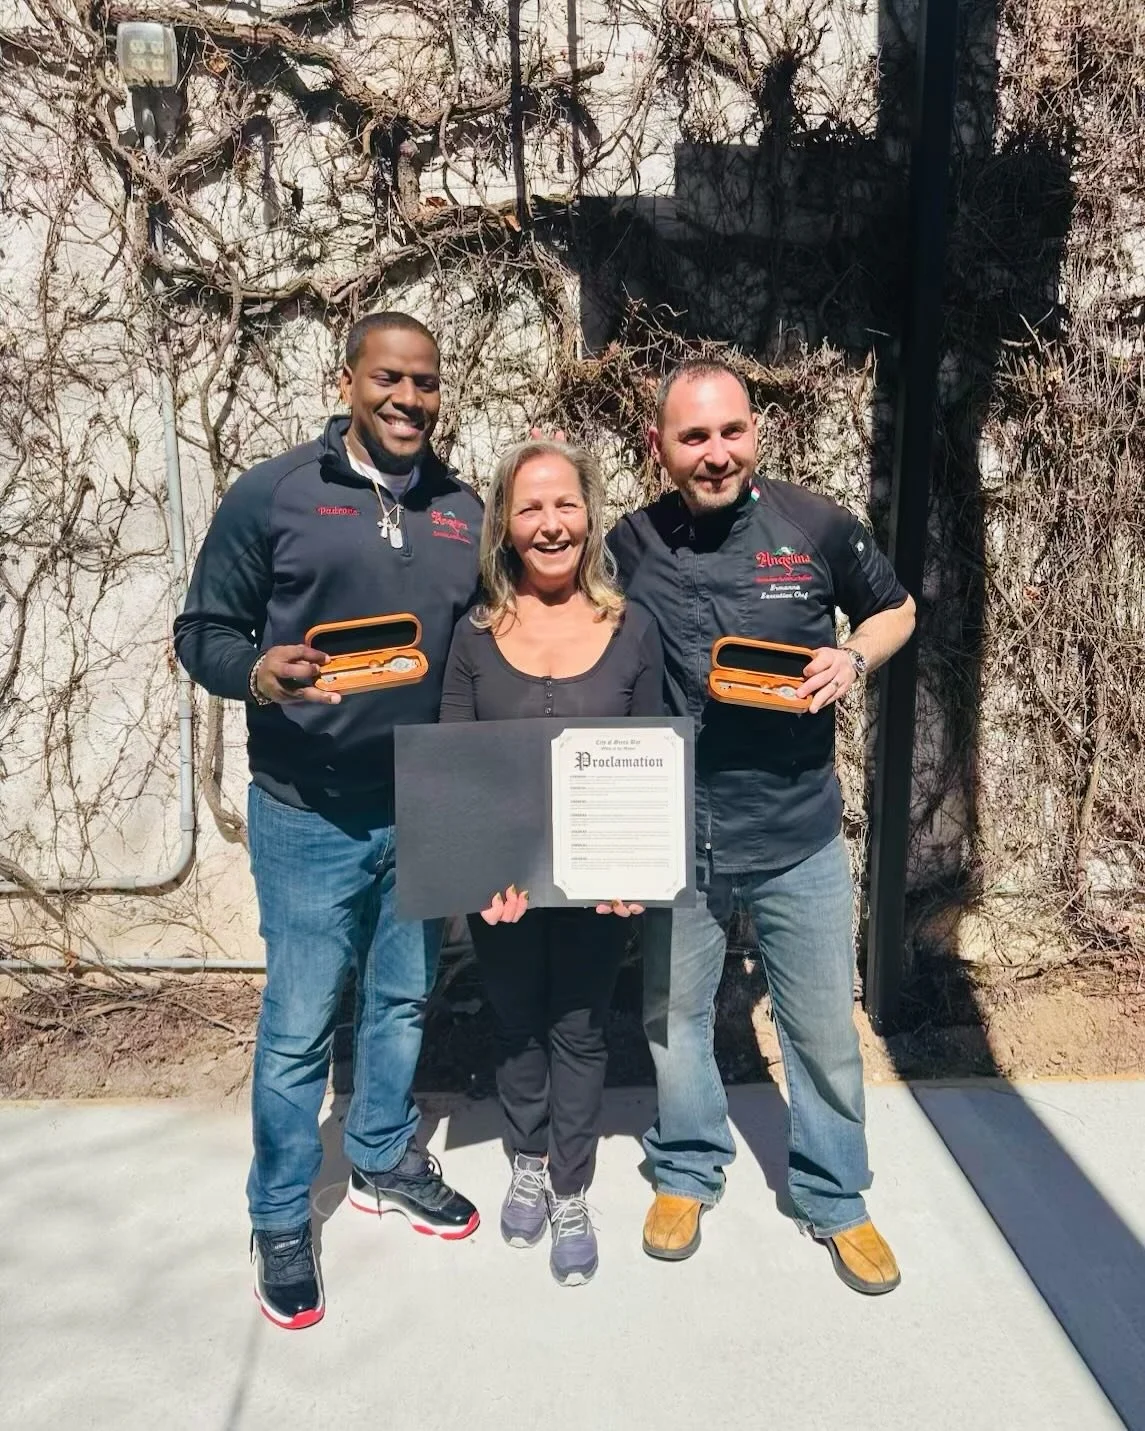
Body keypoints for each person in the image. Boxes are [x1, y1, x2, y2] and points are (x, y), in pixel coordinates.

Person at [174, 312, 484, 1330]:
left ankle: (383, 1157)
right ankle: (277, 1215)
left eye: (425, 382)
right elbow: (202, 632)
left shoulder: (459, 510)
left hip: (425, 806)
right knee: (300, 1027)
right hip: (308, 812)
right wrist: (255, 672)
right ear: (346, 380)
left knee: (401, 1000)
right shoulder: (273, 494)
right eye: (389, 378)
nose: (408, 398)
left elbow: (490, 640)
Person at [608, 358, 916, 1294]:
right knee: (674, 1018)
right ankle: (686, 1167)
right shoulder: (626, 542)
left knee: (820, 1027)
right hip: (679, 834)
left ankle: (834, 1194)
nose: (715, 453)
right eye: (693, 436)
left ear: (756, 432)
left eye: (730, 431)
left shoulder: (813, 524)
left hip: (798, 833)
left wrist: (851, 659)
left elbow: (896, 608)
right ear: (658, 446)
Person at [439, 439, 663, 1286]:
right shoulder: (473, 636)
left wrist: (634, 868)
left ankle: (569, 1186)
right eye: (529, 507)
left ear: (589, 515)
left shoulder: (631, 627)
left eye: (565, 503)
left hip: (596, 887)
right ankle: (526, 1159)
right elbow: (456, 765)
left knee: (578, 1026)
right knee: (514, 1023)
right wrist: (474, 873)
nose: (550, 523)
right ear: (503, 524)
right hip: (505, 886)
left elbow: (650, 753)